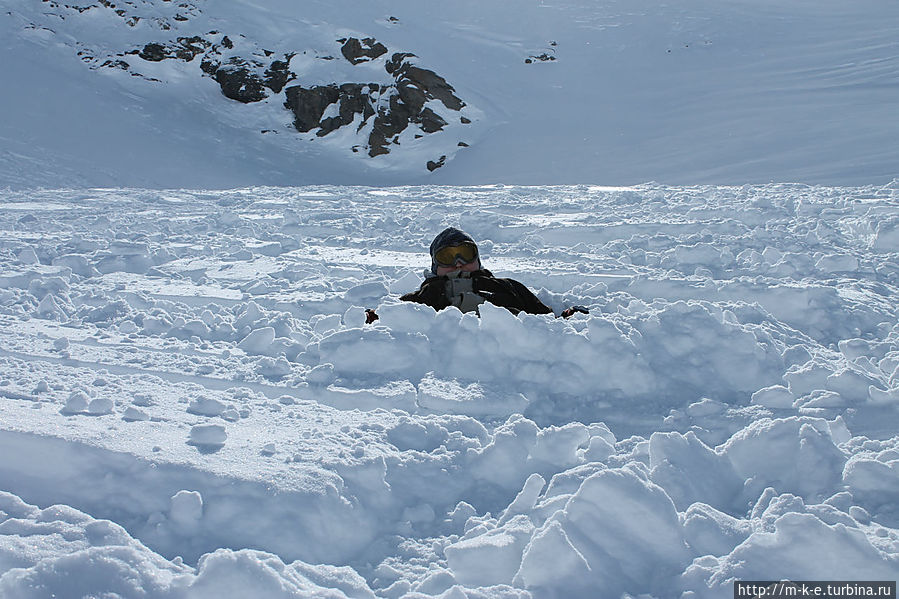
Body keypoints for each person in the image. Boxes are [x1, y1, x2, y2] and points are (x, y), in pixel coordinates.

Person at [365, 227, 587, 323]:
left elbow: (546, 322)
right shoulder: (420, 297)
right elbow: (390, 324)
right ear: (435, 266)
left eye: (465, 254)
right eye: (448, 256)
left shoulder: (508, 286)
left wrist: (568, 318)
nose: (458, 263)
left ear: (477, 260)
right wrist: (371, 318)